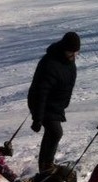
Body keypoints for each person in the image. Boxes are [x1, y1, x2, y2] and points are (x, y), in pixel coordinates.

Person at [27, 31, 80, 172]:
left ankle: (45, 164)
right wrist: (37, 119)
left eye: (76, 53)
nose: (74, 56)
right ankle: (46, 166)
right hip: (42, 104)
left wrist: (64, 103)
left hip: (55, 105)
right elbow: (41, 92)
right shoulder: (50, 64)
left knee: (52, 133)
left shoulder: (68, 61)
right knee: (56, 132)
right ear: (64, 49)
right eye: (71, 52)